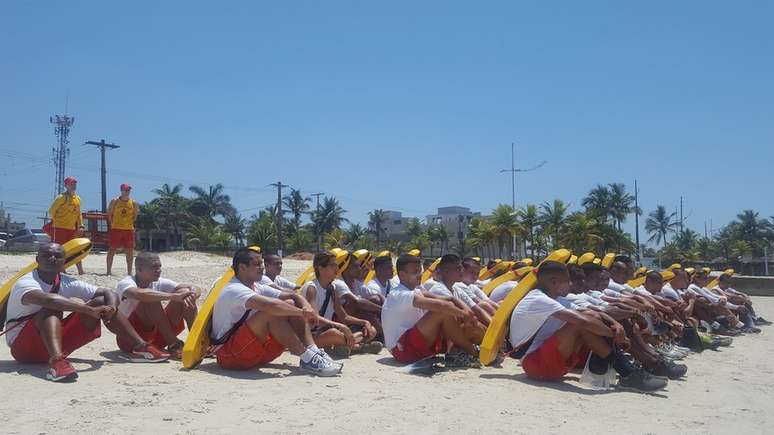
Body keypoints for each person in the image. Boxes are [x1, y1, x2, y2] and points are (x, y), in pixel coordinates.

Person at [4, 243, 169, 382]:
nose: (52, 258)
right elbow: (49, 300)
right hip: (24, 349)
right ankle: (58, 362)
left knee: (102, 301)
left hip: (53, 343)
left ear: (64, 261)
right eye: (47, 255)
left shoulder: (66, 282)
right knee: (52, 309)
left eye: (57, 256)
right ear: (37, 259)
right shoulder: (26, 282)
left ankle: (141, 347)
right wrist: (88, 310)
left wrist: (111, 308)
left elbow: (108, 292)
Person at [508, 261, 667, 391]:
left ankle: (625, 371)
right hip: (535, 365)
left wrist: (615, 325)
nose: (570, 284)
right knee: (580, 324)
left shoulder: (555, 299)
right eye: (567, 281)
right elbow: (582, 321)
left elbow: (592, 311)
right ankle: (626, 372)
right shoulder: (538, 299)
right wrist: (614, 335)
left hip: (548, 362)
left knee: (591, 317)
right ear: (554, 282)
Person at [210, 247, 341, 375]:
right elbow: (269, 305)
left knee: (289, 304)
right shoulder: (234, 289)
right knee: (273, 311)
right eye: (257, 264)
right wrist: (302, 313)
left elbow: (293, 295)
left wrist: (306, 307)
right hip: (230, 355)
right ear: (242, 267)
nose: (262, 267)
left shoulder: (256, 286)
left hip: (256, 352)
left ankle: (313, 351)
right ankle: (307, 358)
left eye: (261, 263)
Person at [381, 254, 481, 367]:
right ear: (402, 275)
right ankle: (473, 352)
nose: (420, 275)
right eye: (415, 272)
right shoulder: (399, 294)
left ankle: (456, 351)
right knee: (441, 311)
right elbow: (441, 305)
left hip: (411, 344)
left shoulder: (415, 291)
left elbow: (449, 299)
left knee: (450, 312)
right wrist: (465, 315)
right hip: (402, 349)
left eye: (420, 271)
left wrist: (467, 313)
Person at [115, 252, 200, 358]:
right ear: (139, 269)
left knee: (185, 293)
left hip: (156, 337)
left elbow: (193, 287)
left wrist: (191, 294)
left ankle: (197, 342)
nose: (159, 270)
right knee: (150, 299)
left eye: (159, 267)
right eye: (154, 267)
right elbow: (138, 294)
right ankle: (174, 344)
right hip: (130, 340)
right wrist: (173, 296)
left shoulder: (158, 282)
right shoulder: (126, 283)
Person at [301, 251, 382, 357]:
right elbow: (314, 319)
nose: (337, 268)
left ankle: (346, 346)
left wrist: (364, 322)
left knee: (372, 330)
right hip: (310, 336)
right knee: (334, 333)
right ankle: (357, 347)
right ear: (320, 268)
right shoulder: (312, 288)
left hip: (326, 331)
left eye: (336, 265)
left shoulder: (332, 288)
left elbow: (344, 317)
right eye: (332, 265)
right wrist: (341, 326)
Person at [47, 176, 85, 275]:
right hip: (59, 228)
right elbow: (51, 212)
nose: (73, 185)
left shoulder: (78, 199)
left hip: (71, 229)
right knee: (59, 250)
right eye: (71, 184)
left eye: (75, 183)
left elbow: (79, 214)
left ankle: (80, 270)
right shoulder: (61, 197)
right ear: (66, 185)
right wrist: (58, 220)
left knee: (75, 249)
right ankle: (61, 269)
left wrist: (81, 225)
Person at [106, 183, 140, 276]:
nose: (127, 191)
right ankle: (108, 271)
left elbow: (135, 216)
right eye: (125, 190)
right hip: (116, 228)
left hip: (128, 229)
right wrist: (112, 224)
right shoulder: (115, 201)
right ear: (121, 190)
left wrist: (129, 223)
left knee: (130, 251)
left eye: (128, 190)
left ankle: (129, 272)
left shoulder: (133, 203)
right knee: (112, 249)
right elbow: (109, 214)